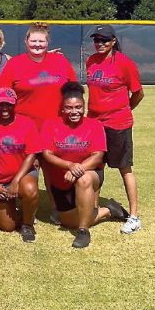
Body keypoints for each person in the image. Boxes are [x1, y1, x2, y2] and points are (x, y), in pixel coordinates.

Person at [39, 82, 129, 248]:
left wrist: (77, 169)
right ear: (63, 109)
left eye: (79, 107)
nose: (74, 112)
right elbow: (47, 154)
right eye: (69, 108)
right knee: (67, 222)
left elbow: (97, 156)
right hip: (62, 181)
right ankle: (108, 210)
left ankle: (83, 231)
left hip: (90, 174)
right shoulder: (51, 125)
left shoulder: (94, 125)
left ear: (84, 107)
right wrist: (70, 165)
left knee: (84, 179)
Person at [86, 24, 145, 235]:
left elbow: (138, 93)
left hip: (118, 124)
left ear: (113, 42)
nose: (100, 44)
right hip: (94, 124)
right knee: (95, 168)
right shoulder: (91, 61)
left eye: (104, 40)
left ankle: (134, 216)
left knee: (124, 168)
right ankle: (93, 209)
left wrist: (124, 108)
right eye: (97, 40)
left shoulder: (125, 64)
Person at [0, 88, 40, 243]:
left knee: (30, 189)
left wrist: (16, 181)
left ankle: (27, 224)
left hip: (21, 176)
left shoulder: (27, 124)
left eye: (8, 104)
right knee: (8, 226)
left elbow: (31, 154)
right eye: (1, 104)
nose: (5, 108)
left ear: (15, 104)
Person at [0, 22, 77, 130]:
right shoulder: (14, 63)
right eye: (33, 41)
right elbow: (2, 93)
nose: (37, 44)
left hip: (58, 125)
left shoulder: (60, 60)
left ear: (47, 43)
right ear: (26, 41)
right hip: (24, 127)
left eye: (41, 41)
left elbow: (74, 91)